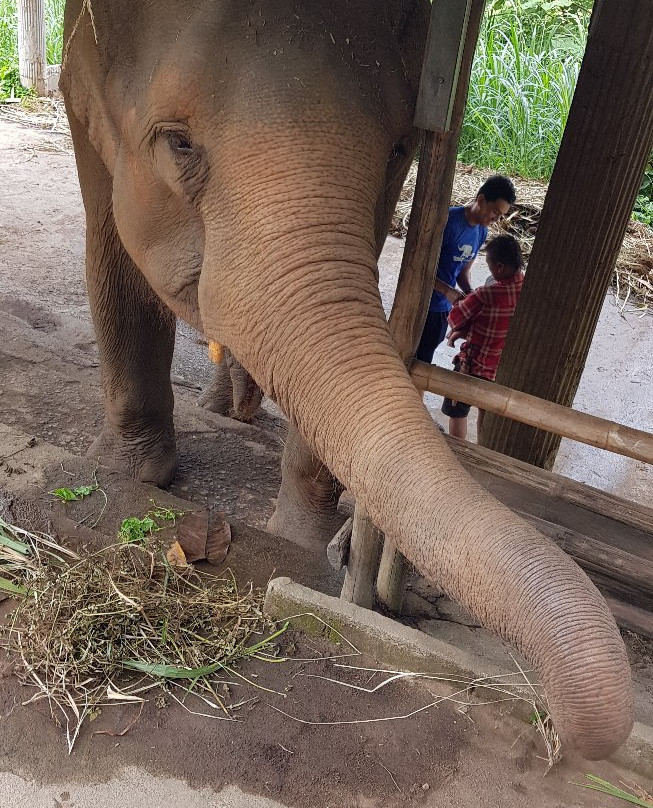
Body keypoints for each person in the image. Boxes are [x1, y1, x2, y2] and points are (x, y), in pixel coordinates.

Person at [416, 175, 516, 364]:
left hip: (443, 308)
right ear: (481, 200)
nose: (496, 219)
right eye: (494, 211)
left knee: (424, 360)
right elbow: (418, 267)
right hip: (421, 304)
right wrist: (447, 290)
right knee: (413, 361)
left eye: (501, 215)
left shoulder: (481, 231)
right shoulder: (447, 222)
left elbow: (463, 270)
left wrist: (470, 293)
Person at [441, 233, 524, 441]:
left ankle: (458, 451)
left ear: (500, 267)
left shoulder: (486, 293)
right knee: (486, 413)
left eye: (489, 266)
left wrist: (462, 302)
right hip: (500, 368)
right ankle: (482, 448)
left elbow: (454, 318)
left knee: (457, 410)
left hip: (474, 365)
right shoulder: (527, 289)